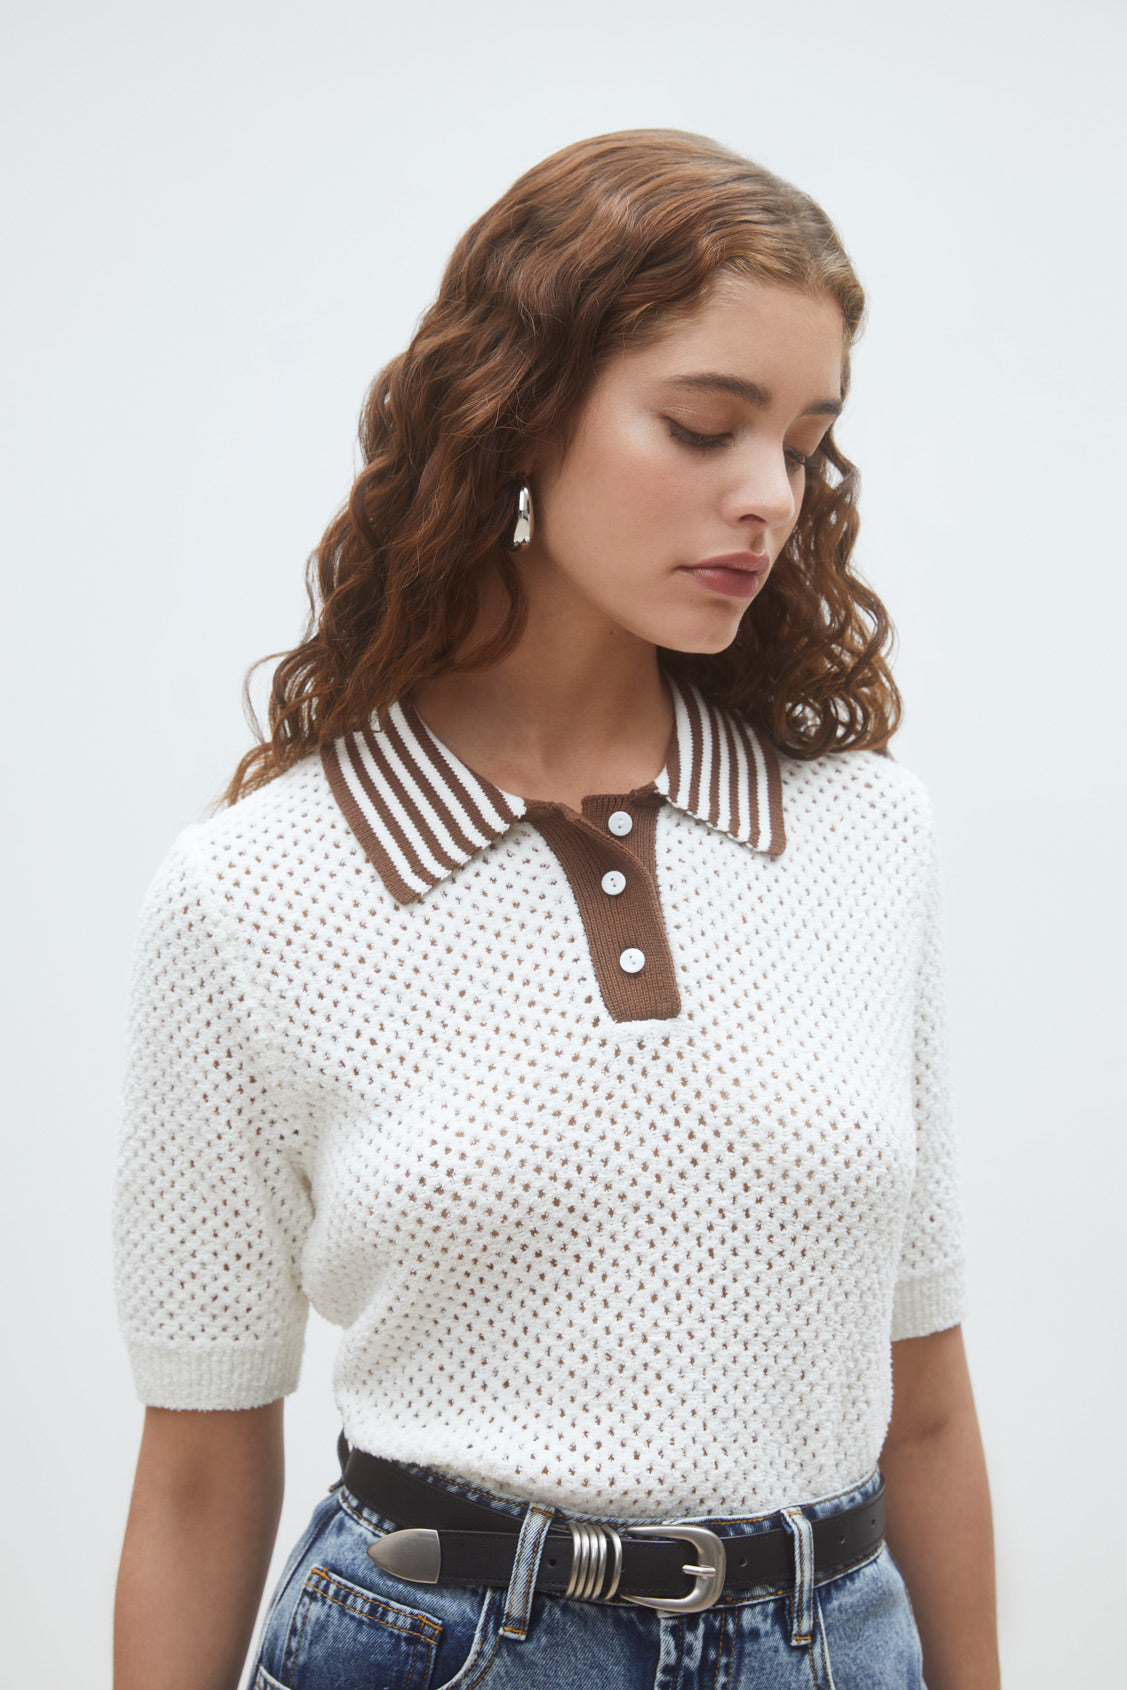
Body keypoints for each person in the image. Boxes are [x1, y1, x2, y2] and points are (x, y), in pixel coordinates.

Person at [112, 129, 999, 1690]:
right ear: (520, 413)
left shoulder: (867, 835)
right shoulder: (255, 890)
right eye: (704, 425)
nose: (767, 497)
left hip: (836, 1645)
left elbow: (922, 1402)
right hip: (439, 1645)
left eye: (803, 445)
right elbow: (197, 1468)